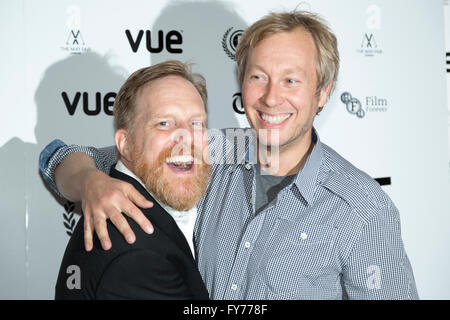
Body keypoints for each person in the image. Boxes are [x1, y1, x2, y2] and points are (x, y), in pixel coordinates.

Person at [41, 10, 418, 299]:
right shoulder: (213, 151)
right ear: (242, 83)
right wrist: (90, 181)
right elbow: (62, 155)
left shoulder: (364, 209)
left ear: (322, 93)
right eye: (258, 77)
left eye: (291, 80)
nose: (271, 97)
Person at [54, 60, 210, 299]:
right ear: (125, 145)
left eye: (196, 123)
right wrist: (87, 179)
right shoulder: (139, 253)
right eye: (164, 123)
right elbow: (56, 155)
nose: (186, 136)